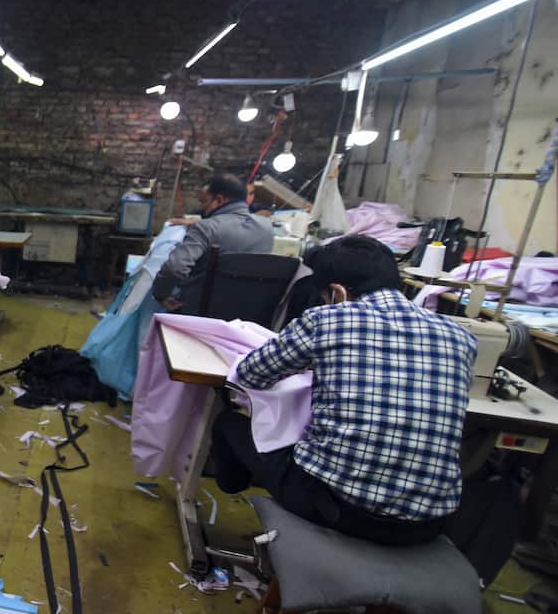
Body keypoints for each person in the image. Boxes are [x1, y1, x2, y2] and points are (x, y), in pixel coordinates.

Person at [212, 236, 477, 545]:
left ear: (336, 292)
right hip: (426, 525)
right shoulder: (460, 337)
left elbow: (250, 374)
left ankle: (233, 490)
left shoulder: (326, 320)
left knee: (228, 424)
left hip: (337, 509)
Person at [152, 174, 273, 313]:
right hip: (246, 312)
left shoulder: (206, 228)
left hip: (200, 310)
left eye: (204, 202)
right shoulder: (266, 227)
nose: (203, 209)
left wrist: (160, 296)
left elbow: (174, 268)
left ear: (219, 200)